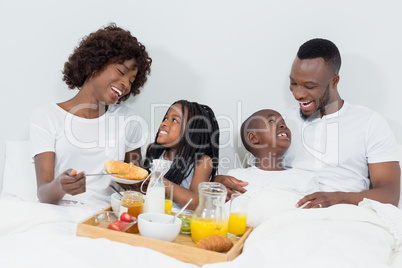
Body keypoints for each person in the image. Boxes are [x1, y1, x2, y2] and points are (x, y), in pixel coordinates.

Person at [215, 38, 401, 208]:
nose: (298, 94)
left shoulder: (369, 122)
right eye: (293, 83)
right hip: (287, 212)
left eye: (309, 86)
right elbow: (256, 177)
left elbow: (390, 194)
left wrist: (340, 198)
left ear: (334, 81)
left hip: (347, 214)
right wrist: (224, 183)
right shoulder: (281, 124)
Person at [30, 23, 152, 209]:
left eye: (131, 81)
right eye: (121, 72)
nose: (125, 85)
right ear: (95, 63)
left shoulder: (129, 121)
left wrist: (144, 182)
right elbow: (44, 193)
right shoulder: (47, 116)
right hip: (60, 214)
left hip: (108, 216)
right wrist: (61, 185)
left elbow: (135, 187)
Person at [144, 100, 220, 210]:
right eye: (166, 118)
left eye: (174, 120)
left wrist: (158, 179)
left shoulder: (202, 161)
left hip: (180, 222)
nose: (163, 123)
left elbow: (195, 202)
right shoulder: (153, 150)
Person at [226, 109, 319, 194]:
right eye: (271, 121)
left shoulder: (304, 179)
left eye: (283, 123)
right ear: (253, 138)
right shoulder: (236, 178)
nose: (283, 125)